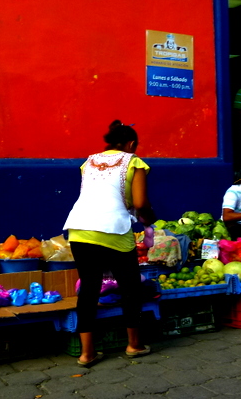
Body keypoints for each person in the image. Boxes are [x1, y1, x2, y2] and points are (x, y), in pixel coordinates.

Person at [62, 120, 157, 368]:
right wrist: (149, 220)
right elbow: (139, 202)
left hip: (79, 228)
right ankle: (134, 345)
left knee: (89, 290)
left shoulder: (89, 161)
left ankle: (86, 354)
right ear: (131, 144)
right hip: (113, 229)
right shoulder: (133, 161)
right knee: (130, 288)